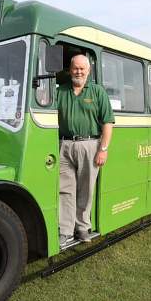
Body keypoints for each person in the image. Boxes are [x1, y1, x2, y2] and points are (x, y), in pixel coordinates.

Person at [57, 54, 114, 246]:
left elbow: (107, 123)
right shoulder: (61, 91)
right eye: (75, 68)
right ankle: (65, 230)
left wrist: (103, 149)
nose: (78, 71)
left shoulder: (97, 92)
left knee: (86, 190)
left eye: (82, 68)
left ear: (88, 71)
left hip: (90, 145)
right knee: (65, 190)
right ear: (69, 70)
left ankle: (82, 227)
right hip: (64, 145)